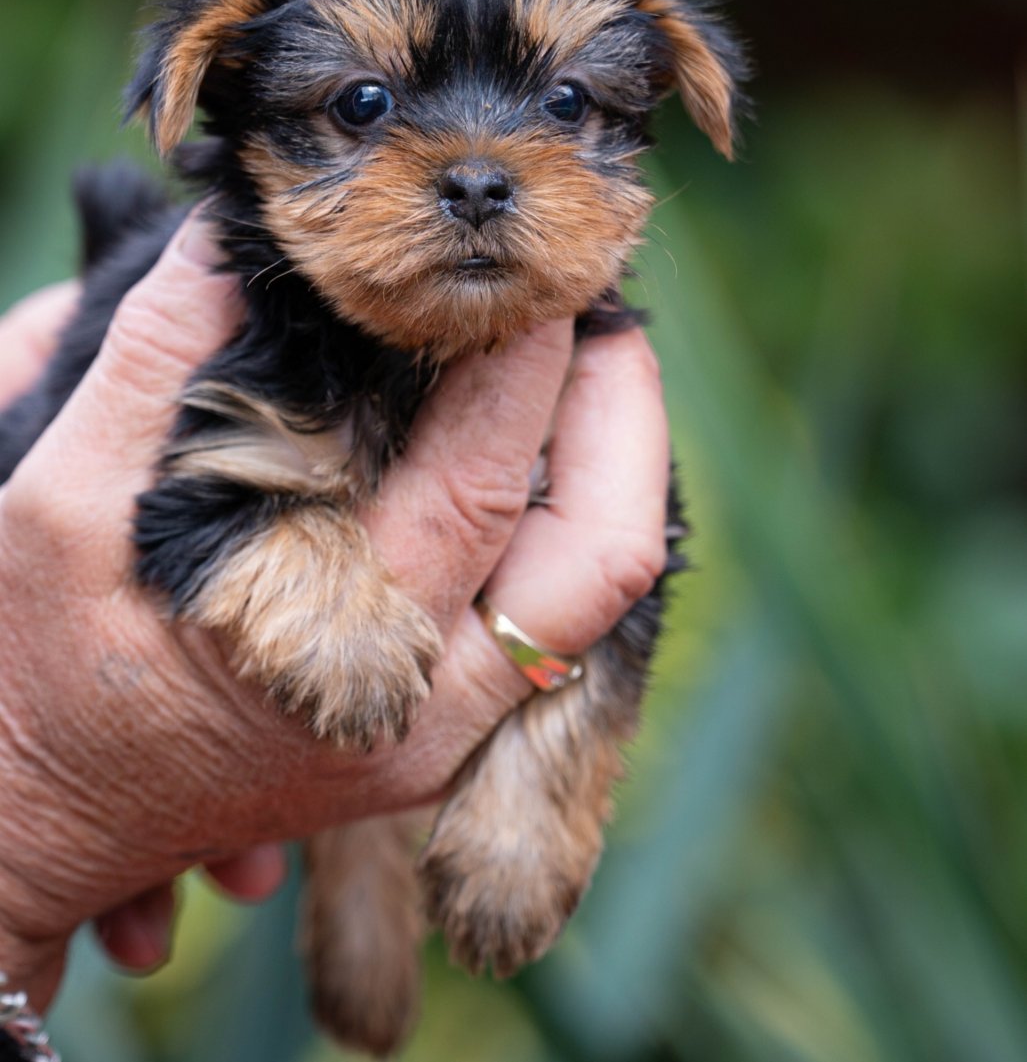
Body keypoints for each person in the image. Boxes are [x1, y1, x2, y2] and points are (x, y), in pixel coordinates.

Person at [0, 215, 670, 1018]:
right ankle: (356, 868)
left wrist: (536, 786)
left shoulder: (578, 368)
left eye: (565, 130)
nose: (476, 175)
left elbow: (624, 577)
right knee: (345, 655)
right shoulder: (249, 352)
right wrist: (28, 849)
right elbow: (198, 522)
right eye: (358, 132)